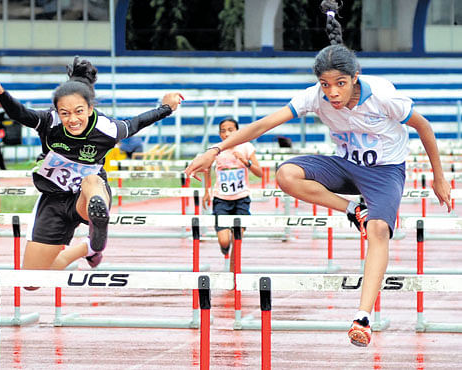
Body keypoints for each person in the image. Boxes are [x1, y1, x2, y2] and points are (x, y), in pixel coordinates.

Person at [185, 0, 451, 348]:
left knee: (378, 230)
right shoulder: (316, 97)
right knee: (286, 174)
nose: (332, 93)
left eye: (339, 83)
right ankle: (352, 209)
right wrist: (215, 150)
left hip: (385, 171)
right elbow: (264, 124)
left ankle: (363, 316)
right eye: (325, 85)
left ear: (355, 77)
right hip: (344, 167)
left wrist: (438, 176)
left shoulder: (384, 97)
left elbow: (425, 127)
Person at [0, 57, 183, 276]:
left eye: (79, 111)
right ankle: (88, 248)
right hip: (53, 198)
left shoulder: (107, 128)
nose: (72, 119)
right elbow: (21, 113)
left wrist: (166, 107)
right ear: (57, 110)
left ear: (90, 108)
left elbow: (137, 122)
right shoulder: (49, 121)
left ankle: (97, 220)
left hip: (87, 195)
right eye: (65, 113)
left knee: (91, 180)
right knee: (31, 279)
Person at [202, 118, 262, 257]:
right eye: (223, 131)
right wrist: (207, 191)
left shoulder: (246, 147)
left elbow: (259, 173)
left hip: (241, 198)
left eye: (230, 130)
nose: (227, 134)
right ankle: (224, 249)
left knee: (237, 239)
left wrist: (245, 161)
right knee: (224, 241)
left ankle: (233, 272)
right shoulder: (215, 149)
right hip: (221, 199)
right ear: (219, 134)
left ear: (237, 131)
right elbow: (206, 169)